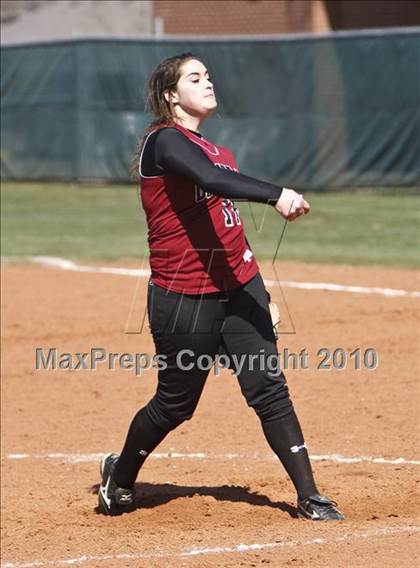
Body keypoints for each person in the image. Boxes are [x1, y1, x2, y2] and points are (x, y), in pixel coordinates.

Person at [98, 53, 344, 521]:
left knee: (269, 389)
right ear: (171, 95)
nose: (208, 82)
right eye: (195, 77)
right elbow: (211, 181)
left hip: (237, 287)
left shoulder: (217, 151)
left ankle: (310, 495)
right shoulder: (163, 142)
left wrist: (260, 288)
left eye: (209, 75)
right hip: (183, 298)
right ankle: (120, 477)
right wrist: (277, 194)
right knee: (176, 404)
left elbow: (228, 228)